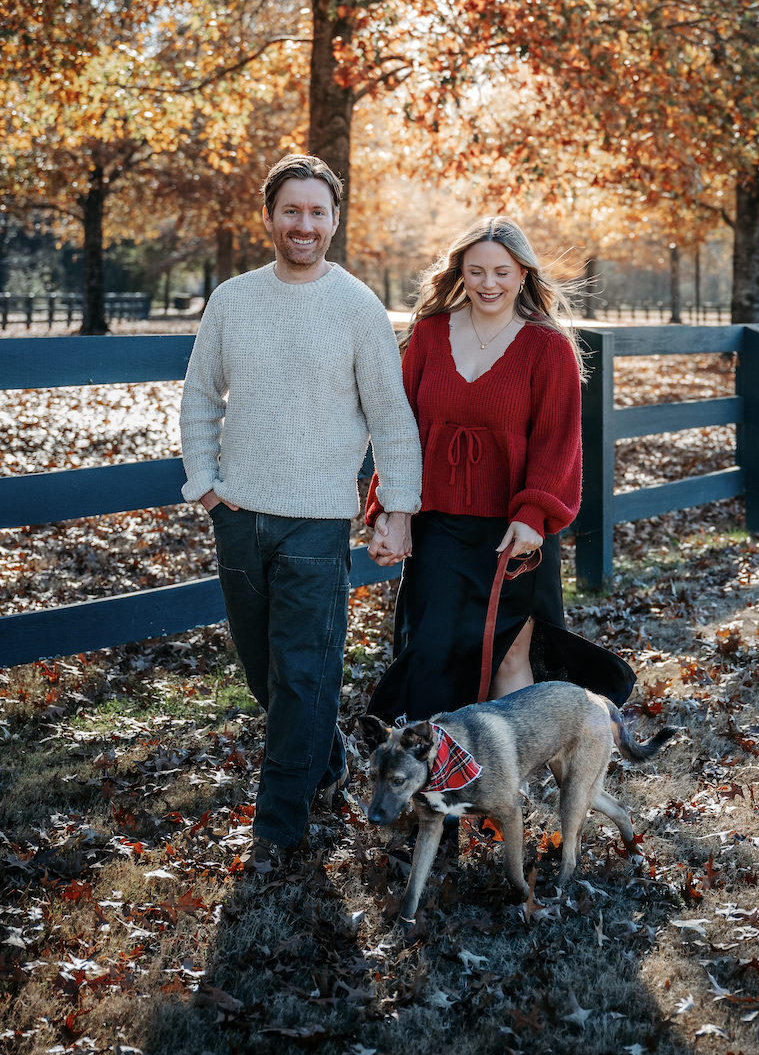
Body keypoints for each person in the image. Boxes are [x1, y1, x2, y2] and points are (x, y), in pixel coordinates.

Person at [180, 154, 421, 872]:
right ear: (270, 218)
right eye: (292, 211)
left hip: (318, 522)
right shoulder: (232, 300)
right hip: (239, 516)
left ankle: (278, 830)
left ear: (335, 220)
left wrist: (398, 507)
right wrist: (207, 485)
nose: (304, 224)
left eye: (317, 212)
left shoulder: (355, 306)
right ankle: (329, 756)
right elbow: (199, 396)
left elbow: (391, 415)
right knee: (265, 673)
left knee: (305, 673)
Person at [365, 216, 633, 725]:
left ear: (524, 275)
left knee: (510, 656)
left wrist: (535, 514)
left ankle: (507, 787)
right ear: (459, 273)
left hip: (515, 532)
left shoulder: (547, 347)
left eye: (502, 272)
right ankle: (440, 781)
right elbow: (401, 427)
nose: (490, 284)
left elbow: (559, 440)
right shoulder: (427, 335)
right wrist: (388, 507)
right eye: (477, 271)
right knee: (432, 647)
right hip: (439, 524)